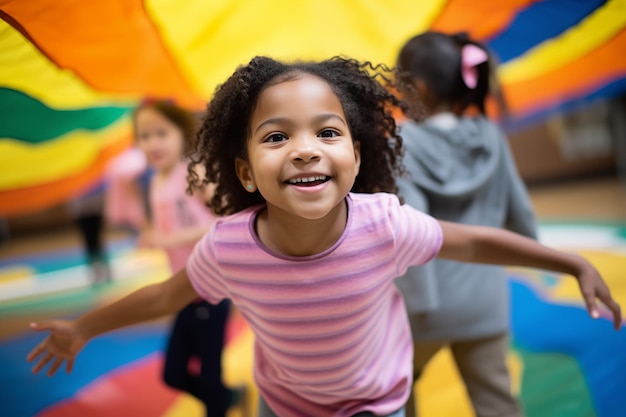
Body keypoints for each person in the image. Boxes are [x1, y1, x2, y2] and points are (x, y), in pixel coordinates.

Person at [26, 56, 621, 417]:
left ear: (355, 157)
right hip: (287, 404)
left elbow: (468, 241)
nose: (306, 147)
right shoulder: (230, 247)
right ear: (244, 171)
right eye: (277, 137)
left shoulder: (383, 224)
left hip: (376, 400)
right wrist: (83, 327)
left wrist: (568, 262)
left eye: (327, 132)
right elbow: (163, 297)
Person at [393, 31, 536, 417]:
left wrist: (420, 305)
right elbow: (521, 215)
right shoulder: (489, 135)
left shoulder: (402, 142)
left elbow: (411, 229)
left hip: (425, 305)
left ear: (417, 87)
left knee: (395, 394)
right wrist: (534, 252)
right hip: (486, 302)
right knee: (497, 401)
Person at [133, 100, 237, 417]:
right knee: (172, 374)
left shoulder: (194, 171)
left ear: (181, 133)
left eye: (161, 133)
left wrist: (167, 238)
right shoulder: (155, 180)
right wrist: (153, 233)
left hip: (211, 291)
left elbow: (226, 218)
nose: (153, 143)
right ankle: (229, 398)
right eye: (144, 136)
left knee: (209, 376)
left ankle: (221, 400)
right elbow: (172, 223)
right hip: (182, 292)